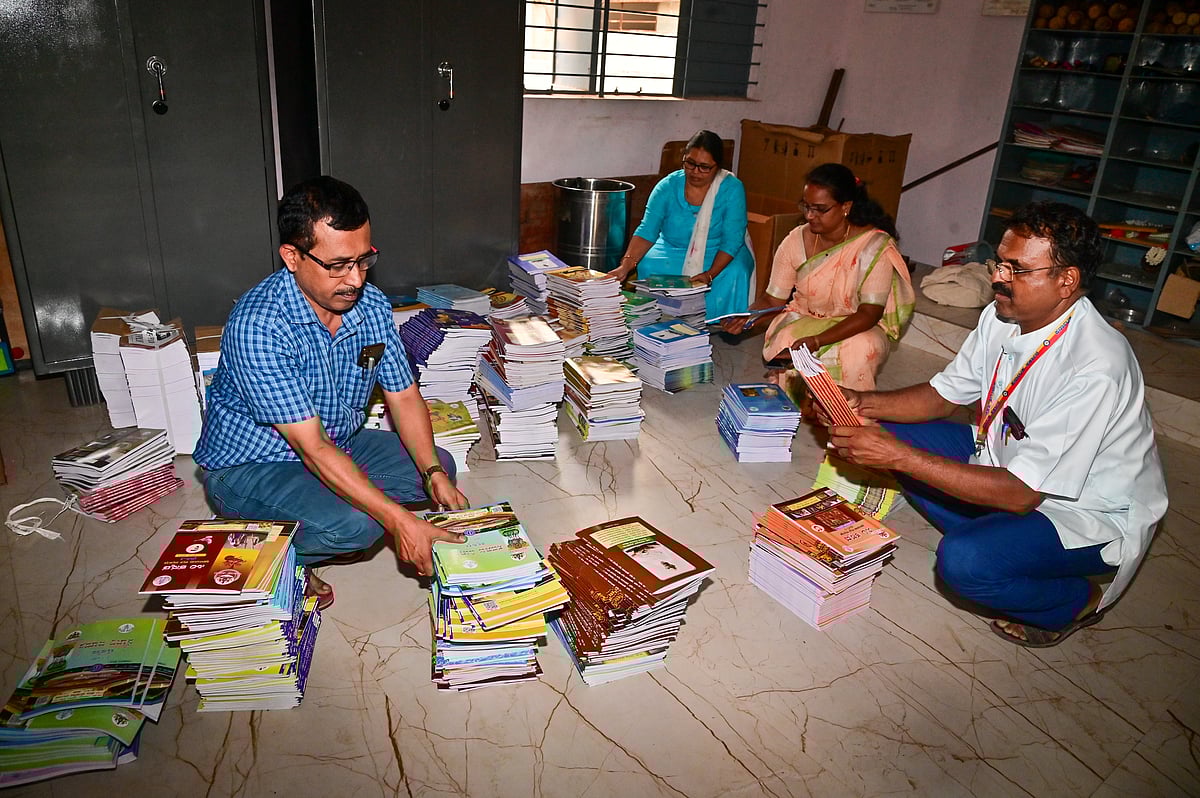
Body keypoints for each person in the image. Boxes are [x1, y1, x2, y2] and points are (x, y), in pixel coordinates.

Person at [816, 201, 1168, 647]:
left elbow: (1021, 494)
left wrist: (899, 457)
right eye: (999, 263)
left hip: (1081, 511)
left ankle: (1075, 598)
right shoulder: (1002, 316)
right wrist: (860, 402)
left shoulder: (1095, 365)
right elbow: (944, 395)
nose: (998, 277)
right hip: (1002, 459)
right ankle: (994, 532)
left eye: (1017, 269)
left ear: (1067, 280)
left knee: (964, 562)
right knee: (890, 435)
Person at [193, 176, 469, 610]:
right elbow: (313, 448)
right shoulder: (259, 325)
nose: (355, 280)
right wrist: (399, 523)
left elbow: (404, 396)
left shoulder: (371, 305)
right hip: (255, 464)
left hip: (336, 440)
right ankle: (270, 553)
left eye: (364, 260)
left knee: (440, 465)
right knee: (358, 527)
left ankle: (318, 516)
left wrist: (432, 470)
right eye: (338, 265)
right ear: (292, 256)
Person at [723, 163, 914, 395]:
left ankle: (848, 411)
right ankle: (803, 403)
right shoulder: (795, 240)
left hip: (856, 325)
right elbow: (773, 299)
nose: (809, 215)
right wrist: (747, 317)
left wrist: (817, 340)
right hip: (805, 317)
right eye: (806, 206)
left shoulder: (874, 247)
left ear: (846, 207)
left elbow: (869, 313)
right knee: (787, 340)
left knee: (860, 348)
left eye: (820, 209)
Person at [610, 129, 754, 318]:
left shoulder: (731, 189)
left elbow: (732, 240)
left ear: (717, 167)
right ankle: (656, 319)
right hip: (672, 247)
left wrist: (710, 273)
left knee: (735, 271)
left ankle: (717, 322)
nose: (695, 172)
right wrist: (626, 265)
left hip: (718, 251)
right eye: (690, 163)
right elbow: (647, 229)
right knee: (649, 264)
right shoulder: (668, 186)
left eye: (704, 167)